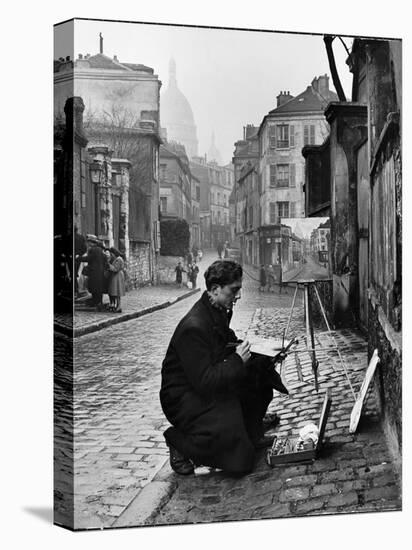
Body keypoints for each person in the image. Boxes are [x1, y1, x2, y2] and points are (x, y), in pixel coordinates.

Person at [160, 260, 287, 476]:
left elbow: (226, 343)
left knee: (259, 370)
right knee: (241, 462)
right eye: (234, 290)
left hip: (206, 386)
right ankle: (178, 441)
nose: (238, 296)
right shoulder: (193, 327)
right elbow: (205, 381)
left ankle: (251, 433)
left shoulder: (217, 308)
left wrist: (266, 354)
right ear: (215, 289)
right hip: (185, 399)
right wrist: (238, 360)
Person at [85, 235, 106, 310]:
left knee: (94, 288)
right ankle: (99, 302)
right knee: (98, 288)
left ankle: (96, 303)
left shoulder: (93, 250)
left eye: (88, 242)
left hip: (94, 272)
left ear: (91, 243)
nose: (88, 243)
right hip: (100, 272)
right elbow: (104, 259)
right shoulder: (100, 249)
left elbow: (88, 259)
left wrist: (78, 258)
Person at [108, 247, 126, 313]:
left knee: (117, 292)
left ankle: (119, 306)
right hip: (117, 276)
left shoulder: (118, 259)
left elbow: (115, 269)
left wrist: (109, 265)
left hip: (117, 277)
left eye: (111, 253)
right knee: (116, 292)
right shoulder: (118, 259)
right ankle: (118, 306)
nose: (111, 255)